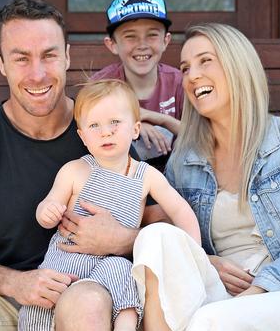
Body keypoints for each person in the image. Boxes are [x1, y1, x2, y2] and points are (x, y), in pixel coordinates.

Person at [0, 0, 153, 331]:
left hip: (83, 283)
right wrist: (15, 283)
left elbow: (157, 225)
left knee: (89, 303)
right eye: (21, 58)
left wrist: (122, 239)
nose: (37, 74)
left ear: (66, 56)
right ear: (1, 63)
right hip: (1, 295)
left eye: (49, 55)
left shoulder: (101, 130)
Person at [131, 23, 280, 331]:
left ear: (237, 65)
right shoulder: (185, 158)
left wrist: (254, 293)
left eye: (205, 61)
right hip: (218, 292)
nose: (192, 75)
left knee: (209, 320)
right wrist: (208, 263)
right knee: (155, 236)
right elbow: (177, 241)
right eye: (185, 68)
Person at [19, 79, 200, 331]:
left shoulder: (146, 176)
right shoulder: (75, 170)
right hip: (65, 264)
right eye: (94, 125)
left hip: (110, 268)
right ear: (82, 136)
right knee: (40, 306)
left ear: (135, 129)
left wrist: (195, 252)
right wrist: (47, 212)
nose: (106, 131)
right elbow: (49, 203)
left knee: (123, 271)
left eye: (115, 122)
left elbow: (179, 209)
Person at [91, 0, 183, 170]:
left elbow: (201, 138)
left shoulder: (179, 82)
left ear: (166, 40)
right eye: (130, 36)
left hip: (175, 180)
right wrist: (134, 124)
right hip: (119, 179)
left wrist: (158, 118)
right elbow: (91, 132)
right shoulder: (101, 85)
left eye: (152, 35)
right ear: (112, 45)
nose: (142, 45)